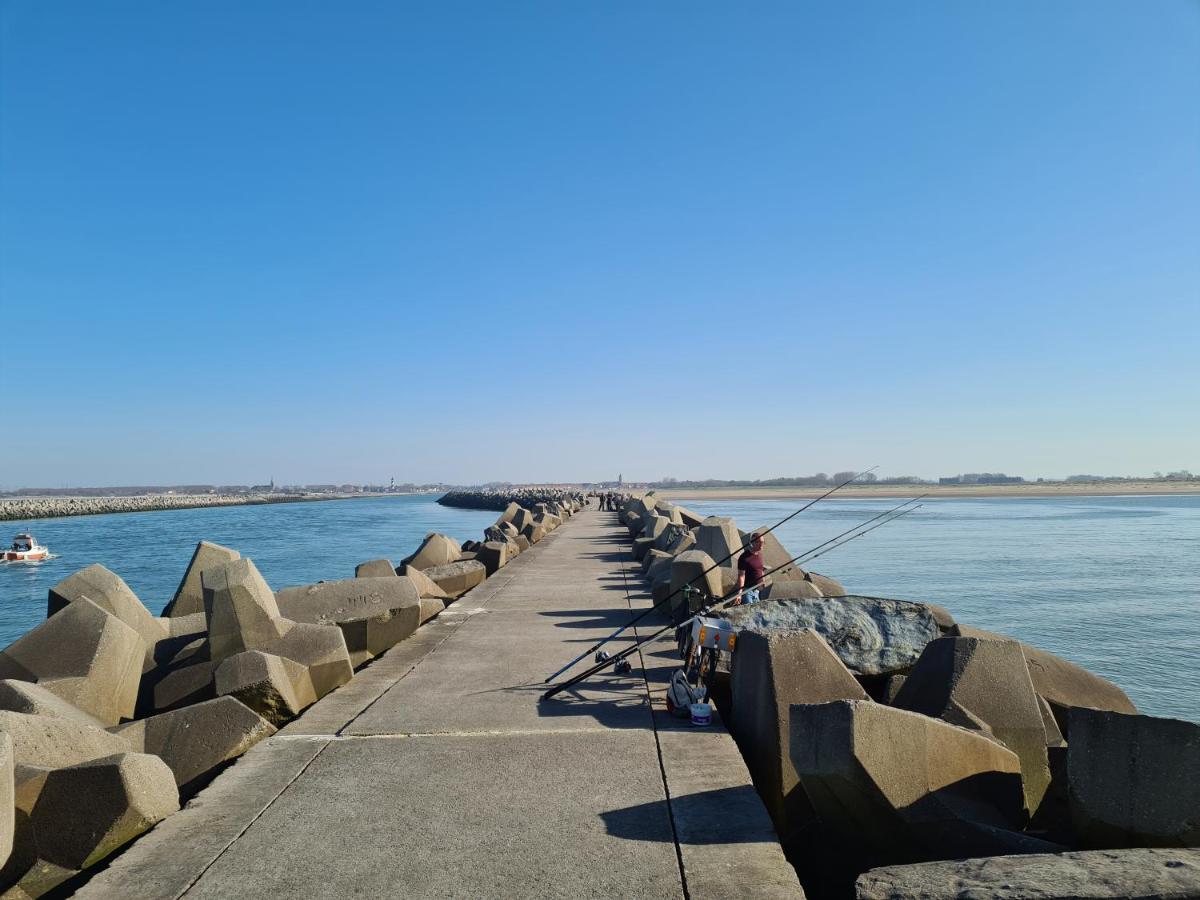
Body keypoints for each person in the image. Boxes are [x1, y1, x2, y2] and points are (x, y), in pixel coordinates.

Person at [734, 532, 766, 605]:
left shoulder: (759, 555)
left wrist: (763, 581)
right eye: (759, 542)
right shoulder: (744, 557)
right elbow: (741, 576)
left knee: (757, 615)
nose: (761, 544)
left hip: (757, 591)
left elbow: (760, 569)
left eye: (763, 542)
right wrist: (739, 594)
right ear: (752, 543)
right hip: (747, 592)